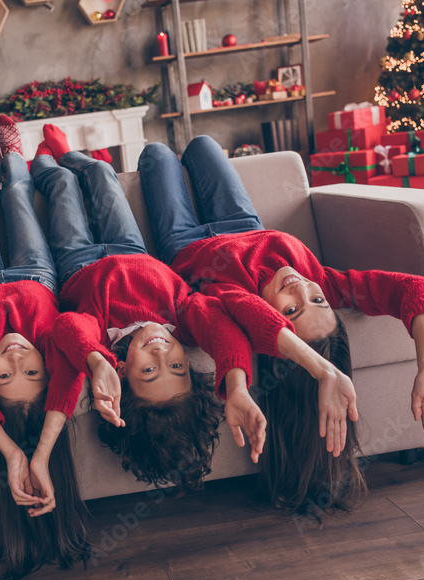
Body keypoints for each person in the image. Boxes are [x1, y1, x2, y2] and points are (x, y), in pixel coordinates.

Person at [138, 135, 424, 515]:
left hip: (185, 243)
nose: (301, 290)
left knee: (156, 154)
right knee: (204, 145)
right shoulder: (323, 280)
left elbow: (255, 319)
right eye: (317, 300)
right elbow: (413, 288)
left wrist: (316, 368)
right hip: (244, 222)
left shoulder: (239, 304)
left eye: (291, 311)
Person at [31, 125, 266, 495]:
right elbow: (222, 328)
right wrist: (236, 386)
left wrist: (97, 363)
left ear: (123, 374)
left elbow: (66, 326)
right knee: (101, 174)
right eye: (176, 366)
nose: (160, 352)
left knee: (61, 185)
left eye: (149, 371)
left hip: (76, 261)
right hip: (130, 247)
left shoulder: (105, 340)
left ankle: (44, 164)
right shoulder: (184, 321)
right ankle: (68, 154)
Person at [0, 115, 89, 580]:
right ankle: (13, 156)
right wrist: (40, 452)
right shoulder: (48, 342)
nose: (16, 360)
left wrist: (9, 452)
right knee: (17, 198)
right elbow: (71, 364)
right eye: (33, 373)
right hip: (36, 274)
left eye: (4, 377)